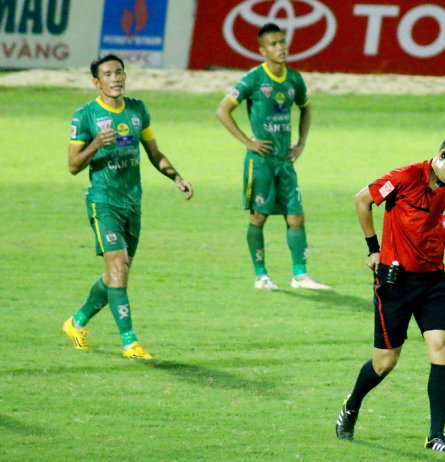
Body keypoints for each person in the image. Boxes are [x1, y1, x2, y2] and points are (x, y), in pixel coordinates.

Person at [335, 131, 445, 452]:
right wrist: (373, 249)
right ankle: (352, 403)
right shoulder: (405, 178)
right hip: (395, 282)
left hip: (433, 283)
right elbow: (362, 200)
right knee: (385, 362)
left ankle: (436, 435)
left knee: (441, 344)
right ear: (443, 155)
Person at [62, 54, 194, 359]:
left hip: (132, 203)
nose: (115, 78)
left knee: (115, 275)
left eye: (119, 72)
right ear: (96, 82)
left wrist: (176, 177)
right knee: (118, 270)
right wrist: (96, 144)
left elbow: (154, 153)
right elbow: (72, 165)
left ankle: (76, 322)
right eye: (108, 74)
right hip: (103, 202)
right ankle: (129, 342)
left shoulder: (138, 110)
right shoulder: (85, 116)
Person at [215, 22, 330, 290]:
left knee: (296, 217)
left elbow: (306, 108)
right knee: (258, 218)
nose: (281, 48)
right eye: (274, 44)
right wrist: (248, 142)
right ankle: (261, 276)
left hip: (285, 162)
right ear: (263, 50)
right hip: (261, 163)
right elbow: (222, 110)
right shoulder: (254, 78)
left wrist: (300, 143)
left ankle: (300, 275)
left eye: (282, 42)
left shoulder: (294, 79)